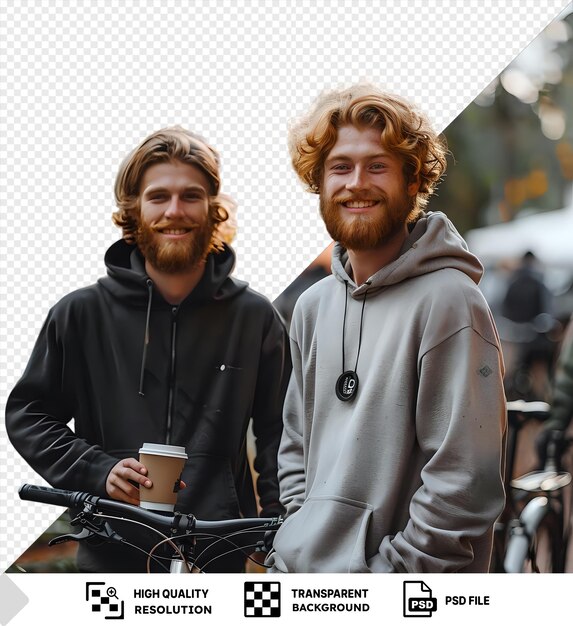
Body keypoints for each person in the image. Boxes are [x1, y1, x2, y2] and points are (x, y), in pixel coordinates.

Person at [6, 126, 290, 573]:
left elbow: (283, 434)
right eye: (158, 197)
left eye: (190, 196)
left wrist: (278, 533)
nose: (174, 211)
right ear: (133, 210)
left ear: (213, 209)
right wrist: (96, 470)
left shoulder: (255, 318)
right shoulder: (80, 313)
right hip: (110, 550)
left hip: (218, 556)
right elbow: (29, 414)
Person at [266, 84, 507, 573]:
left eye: (377, 165)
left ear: (412, 180)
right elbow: (296, 446)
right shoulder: (311, 307)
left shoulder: (451, 302)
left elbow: (464, 482)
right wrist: (299, 527)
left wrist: (386, 579)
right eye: (340, 167)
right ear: (319, 182)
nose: (357, 182)